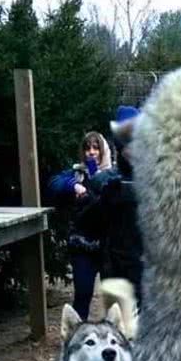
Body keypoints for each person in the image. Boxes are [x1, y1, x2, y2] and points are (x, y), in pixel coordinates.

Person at [77, 106, 143, 303]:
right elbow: (86, 223)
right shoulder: (105, 181)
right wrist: (103, 200)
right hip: (114, 265)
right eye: (127, 145)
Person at [48, 131, 112, 320]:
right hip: (82, 244)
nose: (91, 152)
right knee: (83, 295)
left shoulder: (112, 173)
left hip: (108, 246)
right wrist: (73, 185)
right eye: (87, 148)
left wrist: (98, 178)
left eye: (95, 147)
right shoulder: (77, 173)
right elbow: (53, 183)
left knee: (112, 298)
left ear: (103, 150)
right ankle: (77, 337)